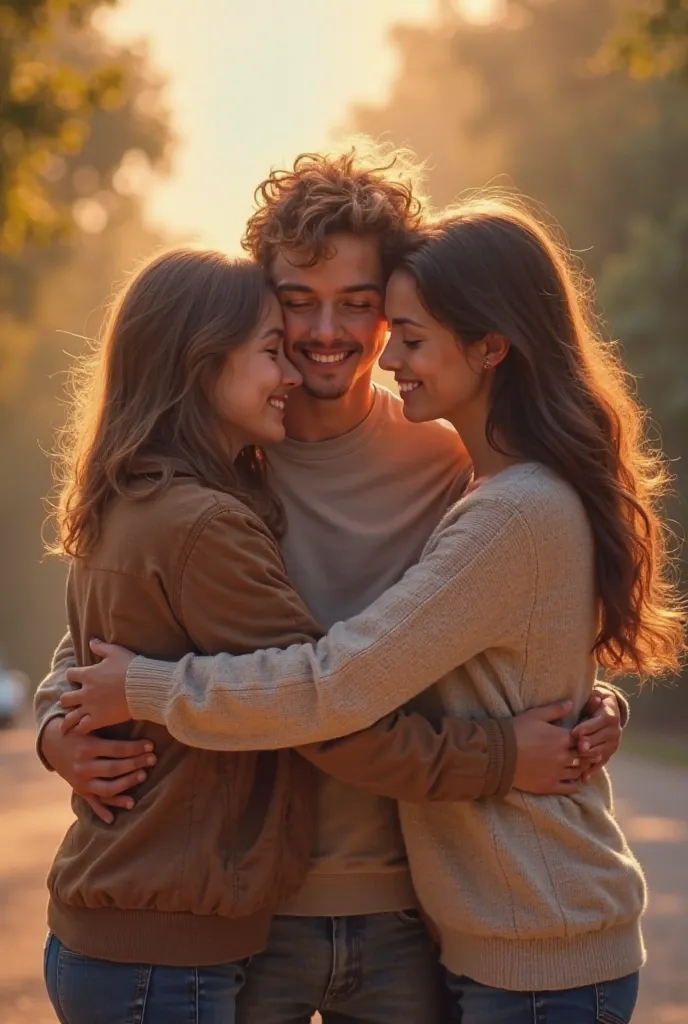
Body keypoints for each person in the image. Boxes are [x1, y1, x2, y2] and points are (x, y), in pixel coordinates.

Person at [37, 149, 625, 1024]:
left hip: (406, 908)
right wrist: (57, 724)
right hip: (249, 909)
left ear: (394, 313)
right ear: (257, 302)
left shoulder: (450, 451)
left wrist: (580, 698)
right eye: (298, 303)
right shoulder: (224, 459)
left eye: (358, 304)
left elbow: (497, 610)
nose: (327, 332)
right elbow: (118, 615)